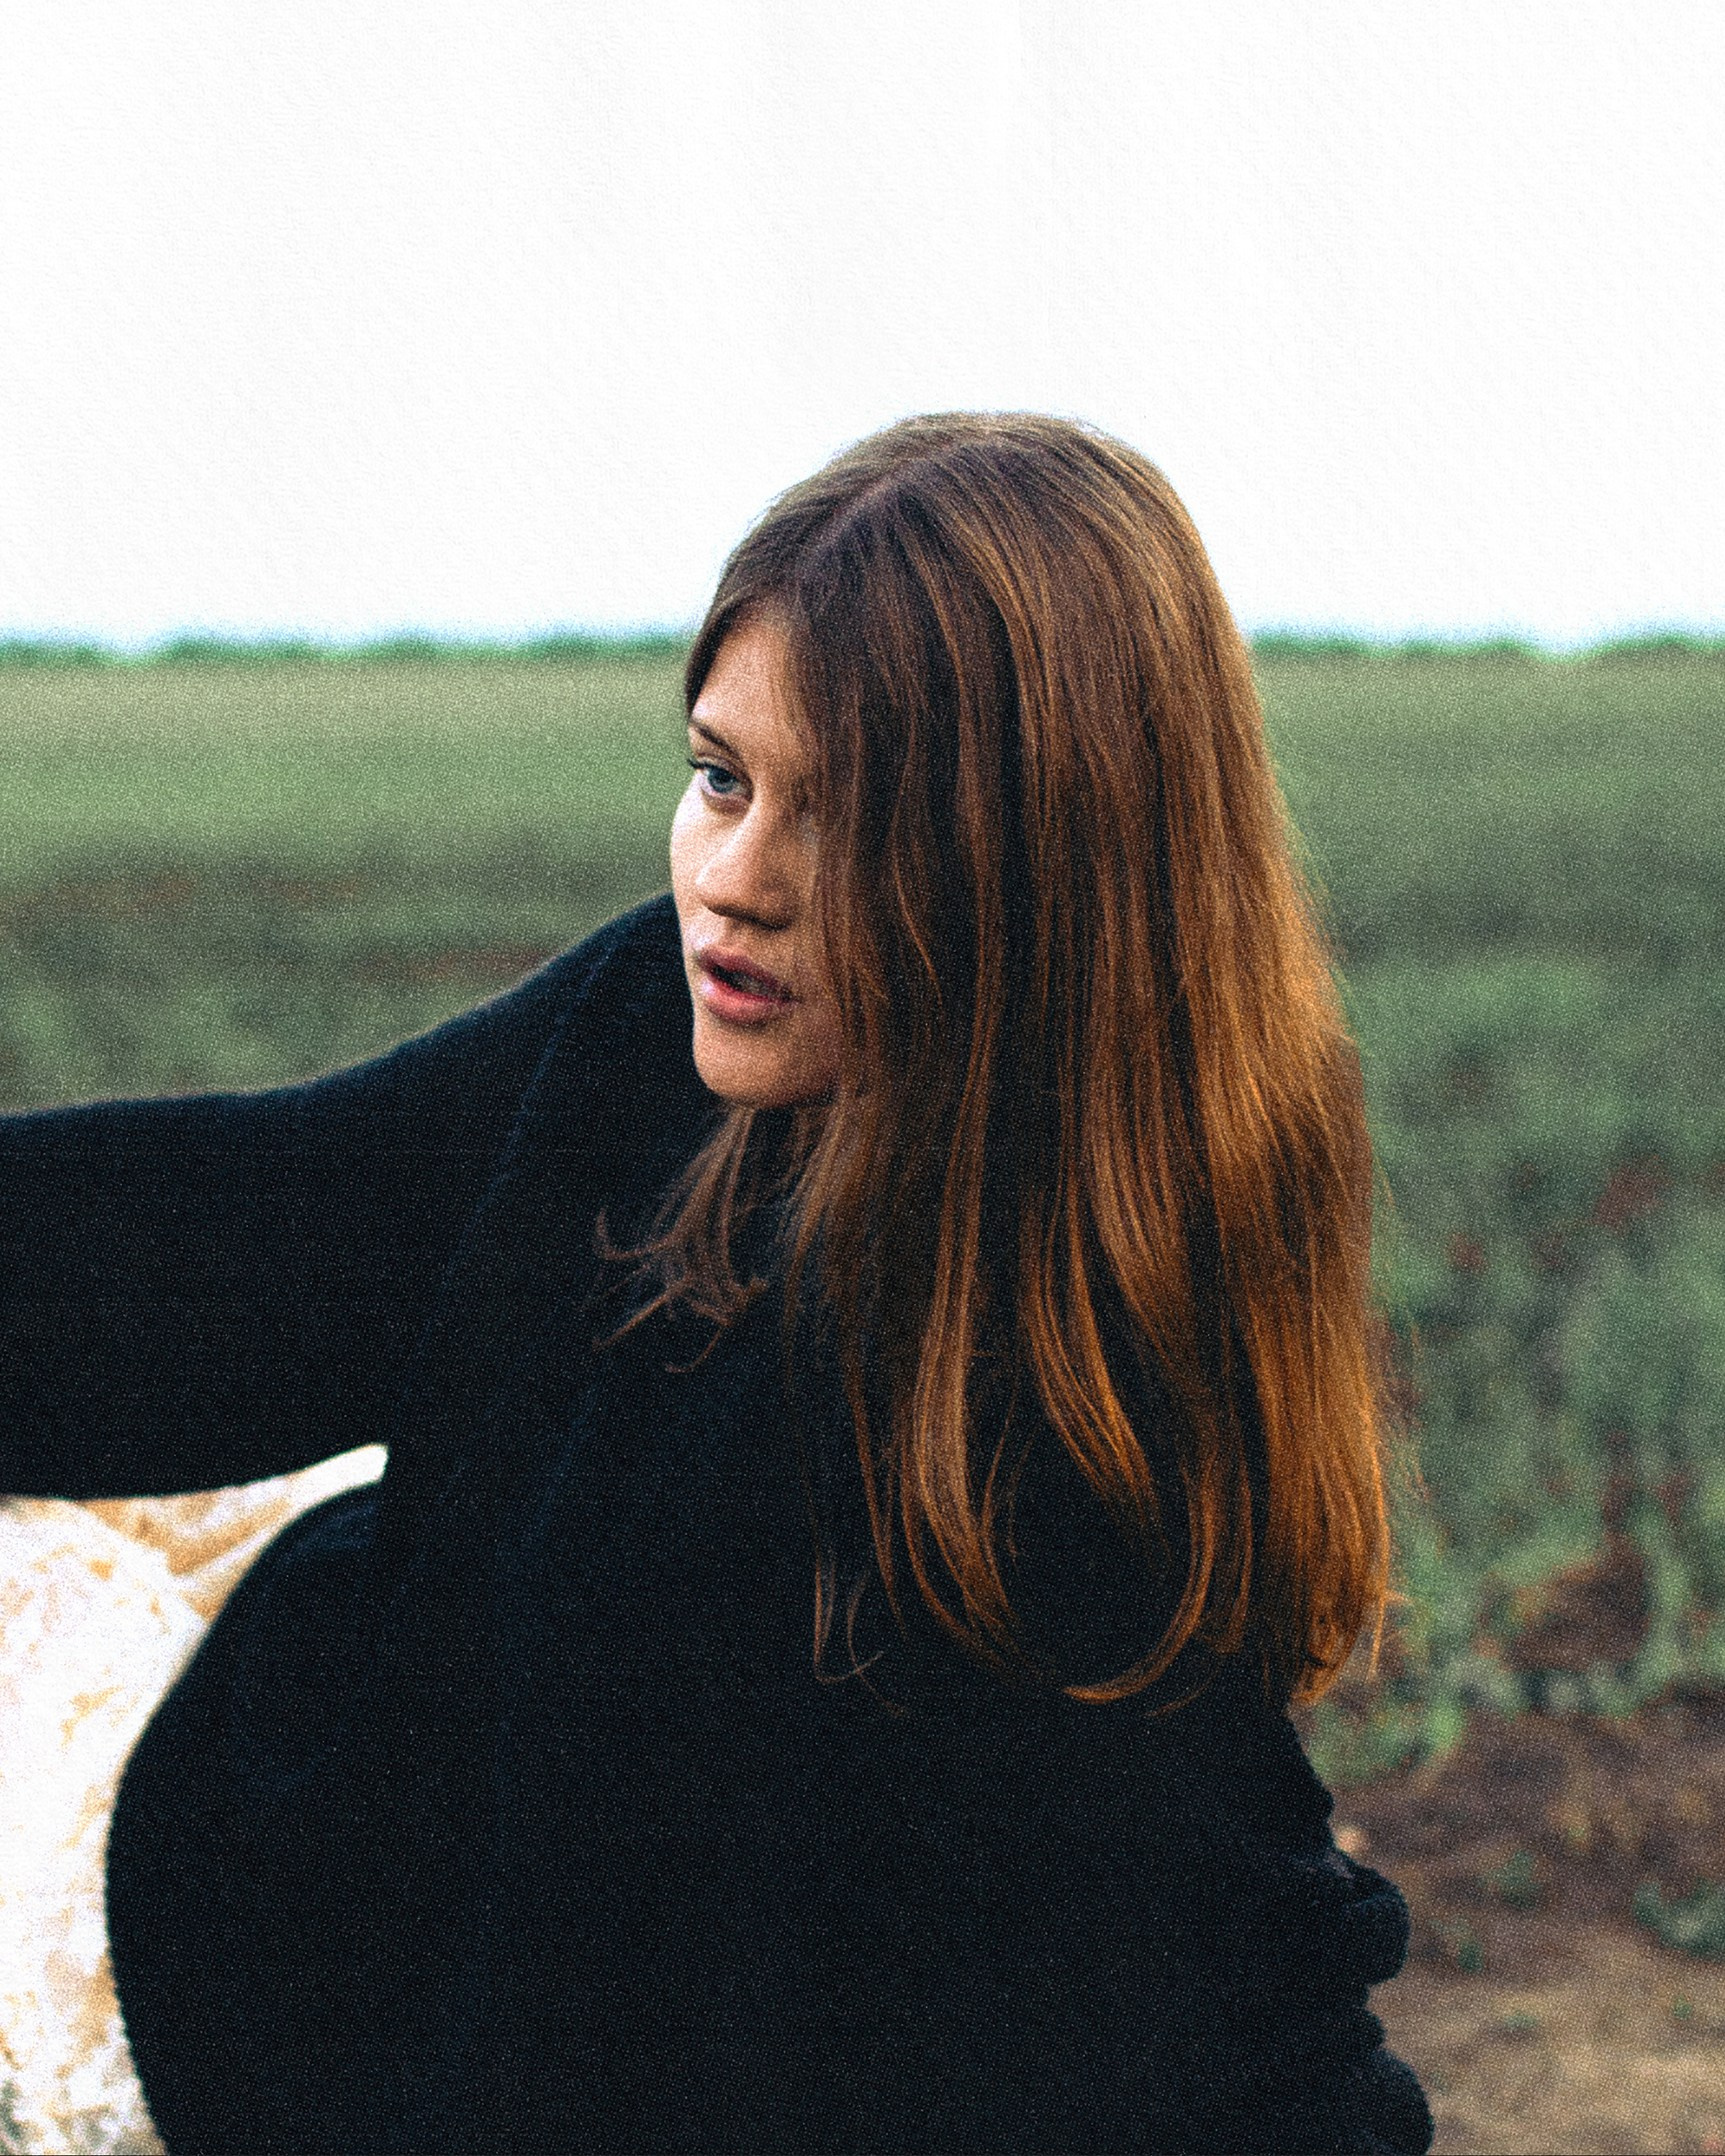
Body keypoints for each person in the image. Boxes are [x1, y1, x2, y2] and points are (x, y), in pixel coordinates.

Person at [0, 411, 1434, 2154]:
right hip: (278, 1785)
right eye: (720, 777)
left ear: (1045, 861)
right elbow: (254, 1237)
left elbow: (1237, 1980)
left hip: (291, 2008)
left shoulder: (1068, 1422)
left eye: (850, 818)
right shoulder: (654, 1041)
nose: (732, 884)